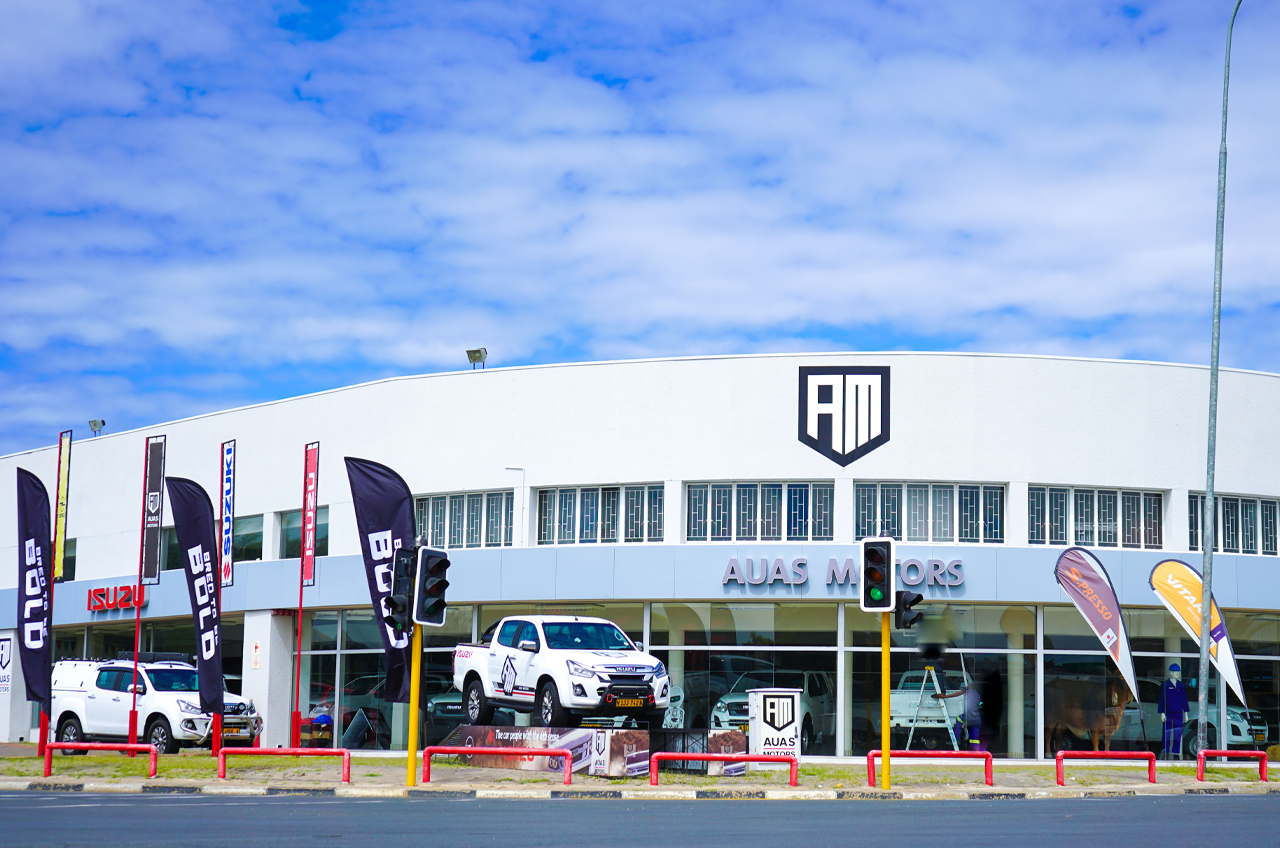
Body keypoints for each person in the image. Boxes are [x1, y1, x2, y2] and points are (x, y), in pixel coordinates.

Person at [1159, 664, 1189, 760]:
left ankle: (1176, 752)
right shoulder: (1165, 685)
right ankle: (1166, 751)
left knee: (1178, 733)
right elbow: (1161, 699)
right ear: (1171, 673)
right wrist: (1162, 713)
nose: (1177, 674)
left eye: (1178, 672)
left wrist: (1186, 713)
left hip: (1178, 713)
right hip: (1168, 712)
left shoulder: (1181, 685)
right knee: (1166, 733)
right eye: (1175, 672)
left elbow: (1184, 700)